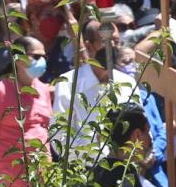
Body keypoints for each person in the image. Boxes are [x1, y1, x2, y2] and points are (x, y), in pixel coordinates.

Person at [0, 35, 55, 187]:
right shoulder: (0, 92)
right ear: (18, 59)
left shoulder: (43, 89)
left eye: (44, 56)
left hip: (41, 175)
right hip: (11, 177)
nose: (42, 61)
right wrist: (8, 153)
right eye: (36, 56)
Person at [52, 17, 138, 158]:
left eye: (115, 41)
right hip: (85, 171)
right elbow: (59, 137)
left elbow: (139, 126)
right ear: (89, 46)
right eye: (105, 42)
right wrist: (97, 157)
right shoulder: (68, 84)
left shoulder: (127, 82)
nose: (112, 47)